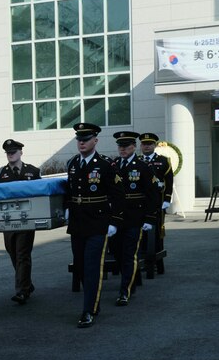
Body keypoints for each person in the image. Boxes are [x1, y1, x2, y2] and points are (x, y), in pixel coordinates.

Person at [63, 122, 123, 329]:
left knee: (91, 266)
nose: (81, 143)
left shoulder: (106, 164)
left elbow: (118, 194)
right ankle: (93, 302)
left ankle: (88, 310)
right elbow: (69, 191)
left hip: (98, 221)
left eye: (86, 139)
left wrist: (114, 221)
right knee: (79, 266)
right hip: (78, 222)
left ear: (95, 141)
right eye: (79, 139)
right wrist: (67, 207)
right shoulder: (72, 163)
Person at [109, 131, 159, 306]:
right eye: (120, 146)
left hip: (135, 218)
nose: (122, 149)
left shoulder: (143, 167)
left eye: (126, 146)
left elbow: (153, 194)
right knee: (117, 252)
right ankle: (132, 278)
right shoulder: (113, 165)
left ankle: (125, 291)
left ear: (134, 147)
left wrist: (149, 218)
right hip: (116, 218)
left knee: (129, 253)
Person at [0, 138, 42, 304]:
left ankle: (22, 291)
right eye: (8, 153)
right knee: (12, 252)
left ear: (21, 152)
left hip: (26, 220)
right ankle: (26, 283)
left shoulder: (33, 172)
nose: (11, 155)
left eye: (13, 152)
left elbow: (39, 195)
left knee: (22, 253)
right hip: (8, 220)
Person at [139, 132, 173, 267]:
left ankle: (156, 261)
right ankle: (142, 260)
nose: (146, 147)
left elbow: (169, 181)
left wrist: (167, 199)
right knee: (140, 230)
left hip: (157, 202)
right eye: (144, 144)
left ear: (155, 145)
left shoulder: (163, 161)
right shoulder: (136, 160)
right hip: (140, 202)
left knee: (157, 230)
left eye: (149, 144)